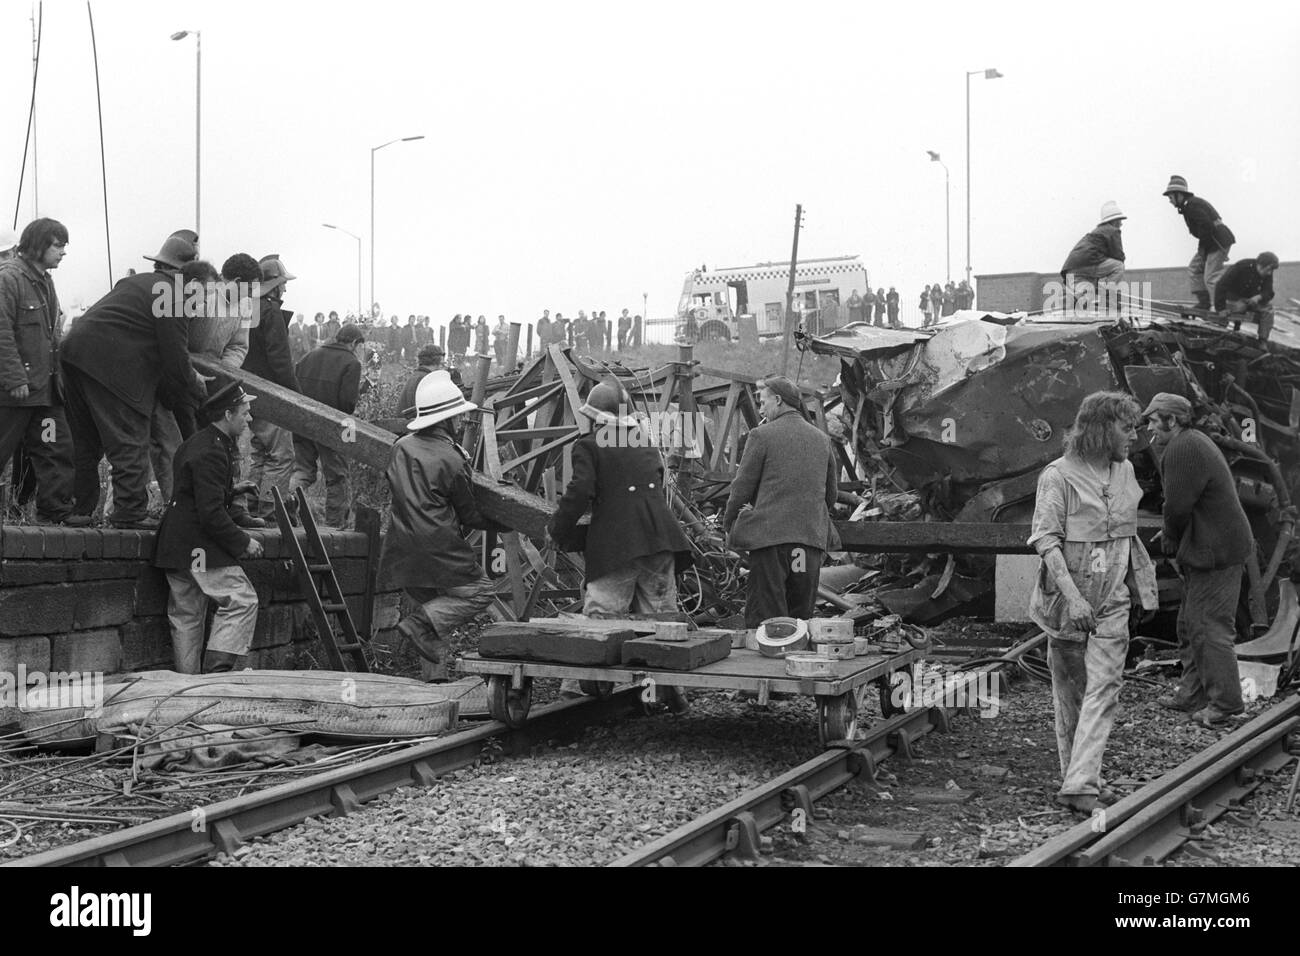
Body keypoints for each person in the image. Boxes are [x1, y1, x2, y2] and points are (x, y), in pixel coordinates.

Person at [1027, 391, 1156, 814]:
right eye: (1127, 427)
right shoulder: (1058, 476)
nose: (1135, 437)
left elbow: (1125, 535)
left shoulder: (1126, 472)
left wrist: (1140, 585)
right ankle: (1078, 779)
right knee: (1071, 693)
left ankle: (1081, 782)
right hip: (1066, 604)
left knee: (1106, 685)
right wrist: (1074, 599)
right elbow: (1046, 540)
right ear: (1102, 428)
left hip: (1112, 599)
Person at [548, 377, 693, 709]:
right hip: (660, 540)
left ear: (595, 416)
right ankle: (668, 692)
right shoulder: (643, 439)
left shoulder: (588, 445)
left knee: (602, 618)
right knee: (662, 622)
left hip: (618, 546)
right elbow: (654, 478)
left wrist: (557, 530)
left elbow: (581, 491)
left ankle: (579, 690)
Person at [61, 230, 204, 528]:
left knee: (84, 442)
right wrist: (195, 383)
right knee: (130, 438)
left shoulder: (135, 283)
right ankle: (130, 512)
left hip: (73, 354)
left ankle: (77, 511)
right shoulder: (172, 295)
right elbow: (176, 359)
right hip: (112, 366)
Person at [381, 370, 501, 682]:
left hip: (401, 548)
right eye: (458, 417)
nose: (462, 422)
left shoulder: (400, 447)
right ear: (444, 420)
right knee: (480, 592)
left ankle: (434, 683)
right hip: (438, 548)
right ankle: (418, 624)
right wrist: (503, 522)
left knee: (434, 611)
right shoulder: (452, 457)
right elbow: (470, 515)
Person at [1143, 392, 1252, 728]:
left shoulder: (1183, 448)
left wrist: (1172, 537)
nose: (1149, 429)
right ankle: (1192, 693)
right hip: (1212, 545)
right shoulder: (1193, 441)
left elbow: (1176, 507)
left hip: (1216, 553)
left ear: (1171, 420)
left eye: (1153, 420)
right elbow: (1188, 502)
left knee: (1208, 627)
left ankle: (1226, 705)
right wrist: (1174, 532)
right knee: (1189, 624)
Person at [153, 381, 263, 674]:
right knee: (241, 599)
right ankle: (217, 675)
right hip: (197, 546)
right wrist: (243, 542)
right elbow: (210, 513)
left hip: (175, 544)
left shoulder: (195, 443)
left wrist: (232, 490)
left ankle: (186, 688)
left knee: (187, 616)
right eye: (244, 413)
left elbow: (194, 494)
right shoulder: (214, 452)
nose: (248, 419)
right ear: (228, 415)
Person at [723, 375, 838, 628]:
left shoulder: (761, 435)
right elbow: (831, 495)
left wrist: (728, 520)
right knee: (800, 618)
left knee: (767, 617)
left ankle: (764, 666)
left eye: (763, 402)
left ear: (778, 400)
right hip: (809, 542)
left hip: (771, 542)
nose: (761, 408)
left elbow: (741, 488)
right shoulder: (822, 439)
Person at [0, 218, 78, 525]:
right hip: (16, 392)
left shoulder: (44, 281)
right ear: (39, 245)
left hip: (43, 391)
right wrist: (15, 378)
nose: (62, 252)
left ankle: (54, 513)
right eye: (58, 245)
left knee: (55, 449)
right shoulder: (8, 279)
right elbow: (2, 332)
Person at [240, 255, 300, 519]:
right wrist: (295, 396)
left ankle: (251, 506)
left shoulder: (247, 308)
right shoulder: (270, 311)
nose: (285, 289)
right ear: (273, 285)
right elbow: (280, 360)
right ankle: (269, 510)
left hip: (248, 392)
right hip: (273, 394)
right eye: (282, 284)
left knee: (260, 454)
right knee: (280, 456)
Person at [290, 323, 366, 529]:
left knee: (303, 471)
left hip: (302, 421)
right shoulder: (352, 363)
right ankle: (334, 526)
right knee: (337, 477)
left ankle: (285, 505)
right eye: (360, 345)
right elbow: (347, 404)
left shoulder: (309, 356)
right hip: (331, 428)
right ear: (353, 343)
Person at [1163, 175, 1235, 311]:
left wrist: (1203, 250)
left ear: (1179, 195)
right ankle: (1204, 303)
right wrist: (1203, 250)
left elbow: (1206, 227)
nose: (1170, 201)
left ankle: (1224, 307)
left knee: (1211, 276)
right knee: (1194, 269)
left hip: (1217, 241)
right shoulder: (1188, 206)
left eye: (1171, 197)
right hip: (1211, 242)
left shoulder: (1192, 205)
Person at [1060, 201, 1127, 306]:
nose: (1121, 224)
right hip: (1088, 264)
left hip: (1072, 269)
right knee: (1119, 266)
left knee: (1089, 291)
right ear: (1114, 221)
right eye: (1119, 221)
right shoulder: (1112, 230)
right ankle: (1106, 296)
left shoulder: (1096, 232)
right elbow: (1119, 256)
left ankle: (1075, 298)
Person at [1215, 252, 1279, 342]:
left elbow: (1269, 292)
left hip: (1251, 301)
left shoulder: (1268, 273)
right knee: (1239, 307)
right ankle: (1220, 332)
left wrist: (1259, 297)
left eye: (1271, 270)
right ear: (1261, 265)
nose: (1270, 273)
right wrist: (1220, 309)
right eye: (1269, 269)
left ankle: (1262, 340)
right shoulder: (1242, 266)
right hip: (1234, 299)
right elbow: (1221, 285)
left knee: (1269, 310)